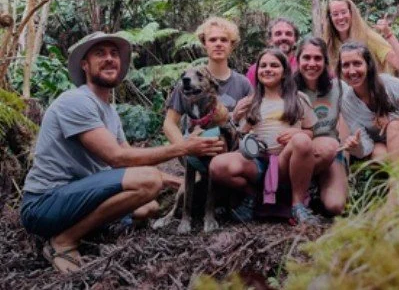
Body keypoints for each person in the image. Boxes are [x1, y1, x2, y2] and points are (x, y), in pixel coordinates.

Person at [20, 32, 224, 273]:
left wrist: (176, 181)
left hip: (76, 197)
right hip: (44, 205)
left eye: (114, 54)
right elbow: (117, 158)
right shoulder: (74, 101)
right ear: (85, 65)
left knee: (149, 207)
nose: (109, 58)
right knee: (149, 181)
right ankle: (64, 241)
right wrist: (183, 147)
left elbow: (126, 155)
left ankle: (90, 230)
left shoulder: (108, 109)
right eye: (100, 54)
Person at [210, 48, 320, 224]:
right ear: (257, 71)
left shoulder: (298, 99)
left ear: (284, 72)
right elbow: (241, 139)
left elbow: (310, 132)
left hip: (285, 162)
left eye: (274, 65)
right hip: (259, 163)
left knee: (302, 140)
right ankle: (252, 195)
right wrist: (236, 117)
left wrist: (298, 132)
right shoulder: (250, 102)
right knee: (217, 166)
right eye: (263, 66)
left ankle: (298, 205)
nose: (268, 69)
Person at [163, 17, 252, 143]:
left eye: (224, 40)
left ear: (231, 45)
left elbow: (254, 119)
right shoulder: (188, 81)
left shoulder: (243, 83)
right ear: (205, 44)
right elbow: (169, 123)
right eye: (213, 40)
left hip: (230, 152)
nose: (218, 44)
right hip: (196, 150)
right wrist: (184, 149)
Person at [337, 41, 399, 162]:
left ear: (368, 65)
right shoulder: (347, 102)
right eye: (346, 65)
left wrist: (393, 118)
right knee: (377, 153)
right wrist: (357, 147)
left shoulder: (393, 86)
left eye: (357, 64)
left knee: (393, 127)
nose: (352, 71)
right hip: (387, 147)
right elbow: (366, 146)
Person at [294, 37, 349, 216]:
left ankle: (314, 188)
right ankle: (296, 193)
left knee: (335, 206)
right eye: (306, 58)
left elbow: (347, 126)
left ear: (326, 62)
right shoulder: (288, 89)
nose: (312, 63)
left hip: (332, 152)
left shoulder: (339, 88)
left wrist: (346, 160)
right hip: (299, 153)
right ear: (298, 60)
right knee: (318, 146)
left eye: (317, 58)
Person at [324, 0, 399, 75]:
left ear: (351, 13)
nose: (340, 17)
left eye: (344, 12)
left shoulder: (369, 38)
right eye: (335, 14)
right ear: (330, 18)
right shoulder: (328, 44)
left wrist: (389, 34)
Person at [245, 17, 300, 86]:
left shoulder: (302, 67)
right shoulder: (256, 70)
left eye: (288, 34)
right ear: (270, 40)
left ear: (295, 39)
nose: (283, 37)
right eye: (278, 34)